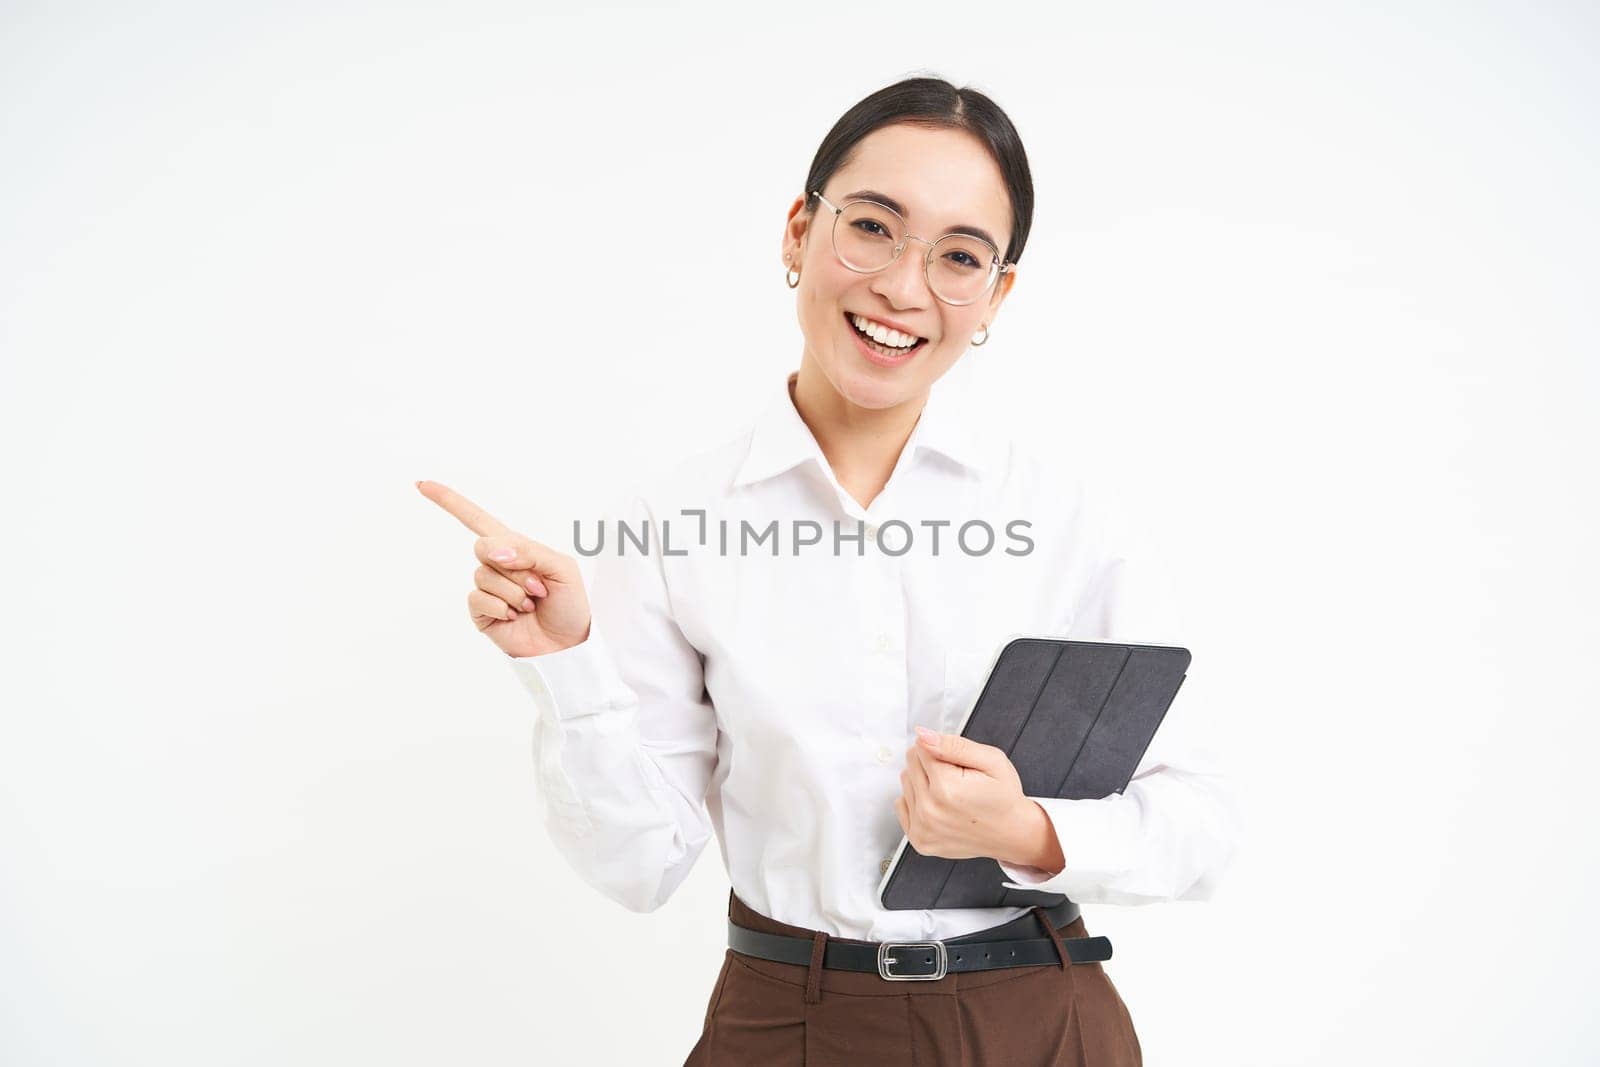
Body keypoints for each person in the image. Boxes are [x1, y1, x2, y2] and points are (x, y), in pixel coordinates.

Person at [419, 75, 1237, 1066]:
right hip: (786, 1022)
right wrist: (567, 664)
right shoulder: (674, 527)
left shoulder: (1067, 524)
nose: (902, 286)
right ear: (799, 231)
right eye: (874, 227)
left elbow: (1197, 825)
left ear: (995, 295)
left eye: (959, 256)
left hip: (1037, 1017)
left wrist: (1025, 828)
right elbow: (637, 865)